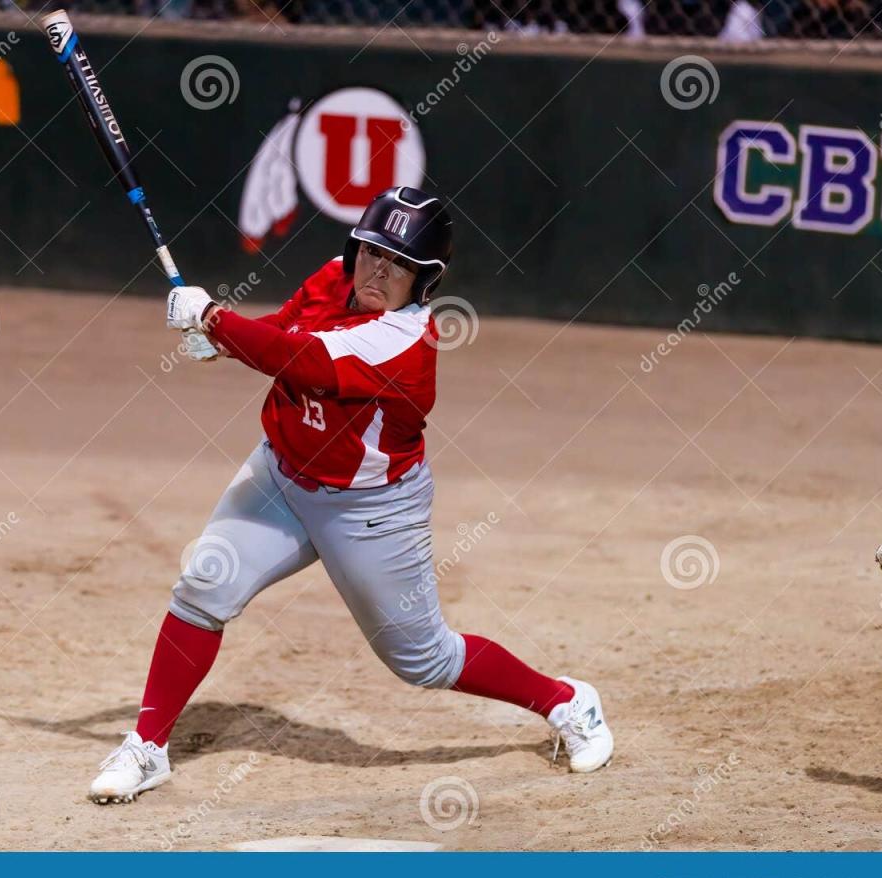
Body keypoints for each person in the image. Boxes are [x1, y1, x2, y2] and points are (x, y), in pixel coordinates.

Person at [88, 187, 614, 804]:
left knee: (424, 660)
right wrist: (224, 340)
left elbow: (302, 360)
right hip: (281, 475)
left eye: (397, 263)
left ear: (426, 280)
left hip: (371, 511)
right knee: (204, 585)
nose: (376, 270)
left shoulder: (404, 342)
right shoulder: (334, 277)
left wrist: (212, 319)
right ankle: (148, 747)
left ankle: (566, 701)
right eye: (369, 252)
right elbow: (280, 330)